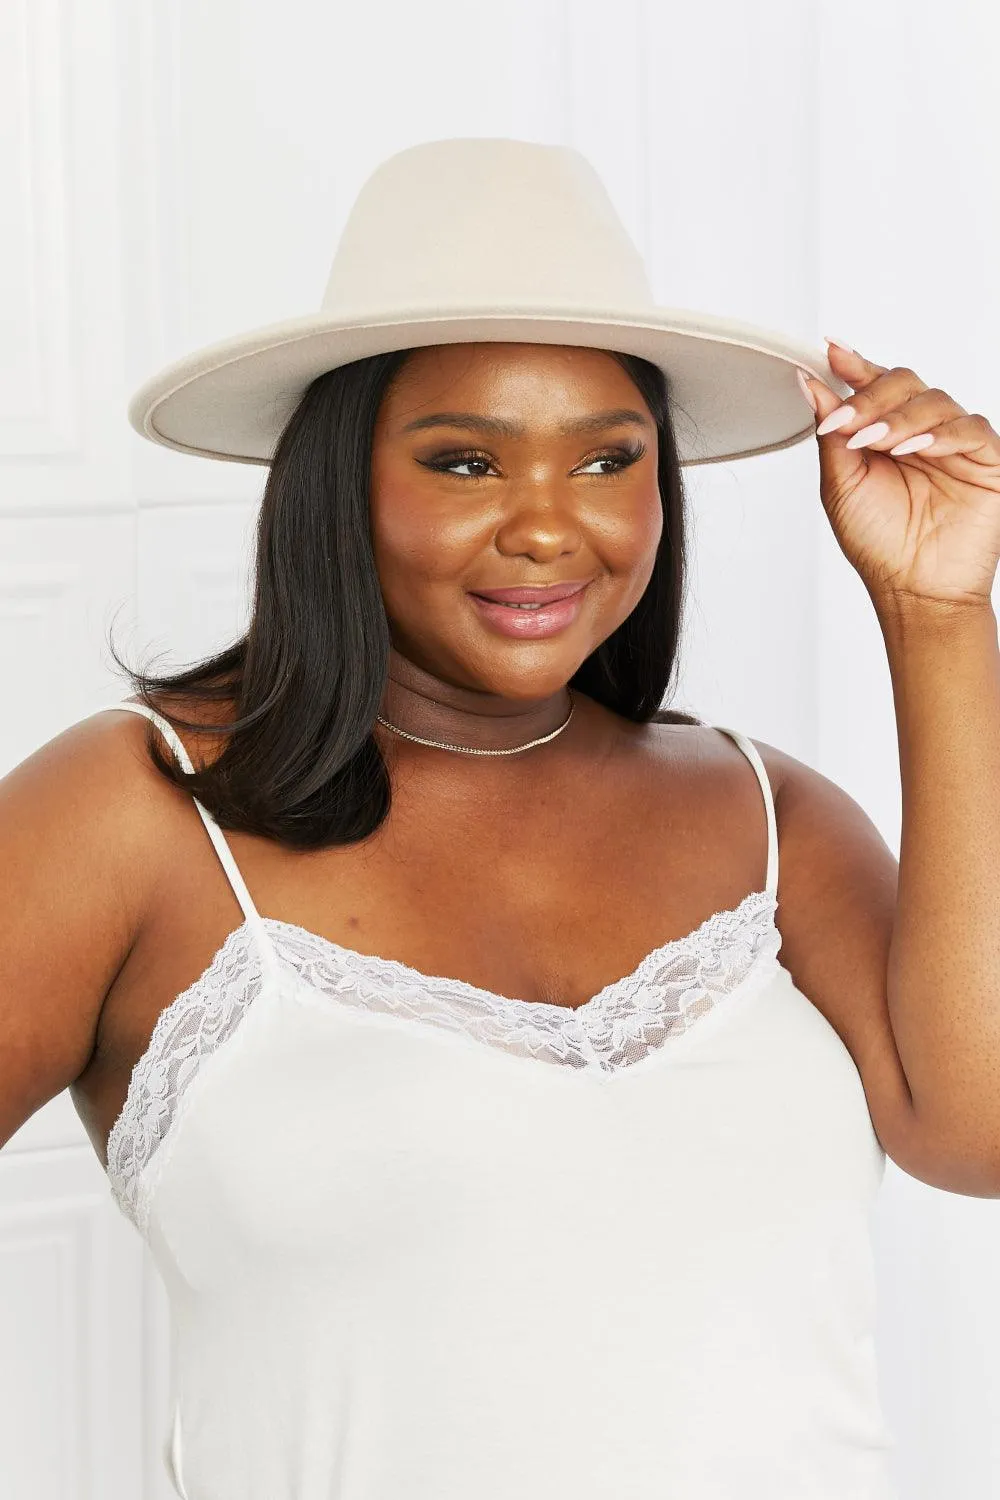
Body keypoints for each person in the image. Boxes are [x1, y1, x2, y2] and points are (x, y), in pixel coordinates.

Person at [5, 135, 954, 1499]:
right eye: (465, 463)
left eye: (607, 460)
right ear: (341, 483)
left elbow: (971, 1132)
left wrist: (938, 612)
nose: (547, 527)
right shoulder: (142, 809)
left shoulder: (766, 813)